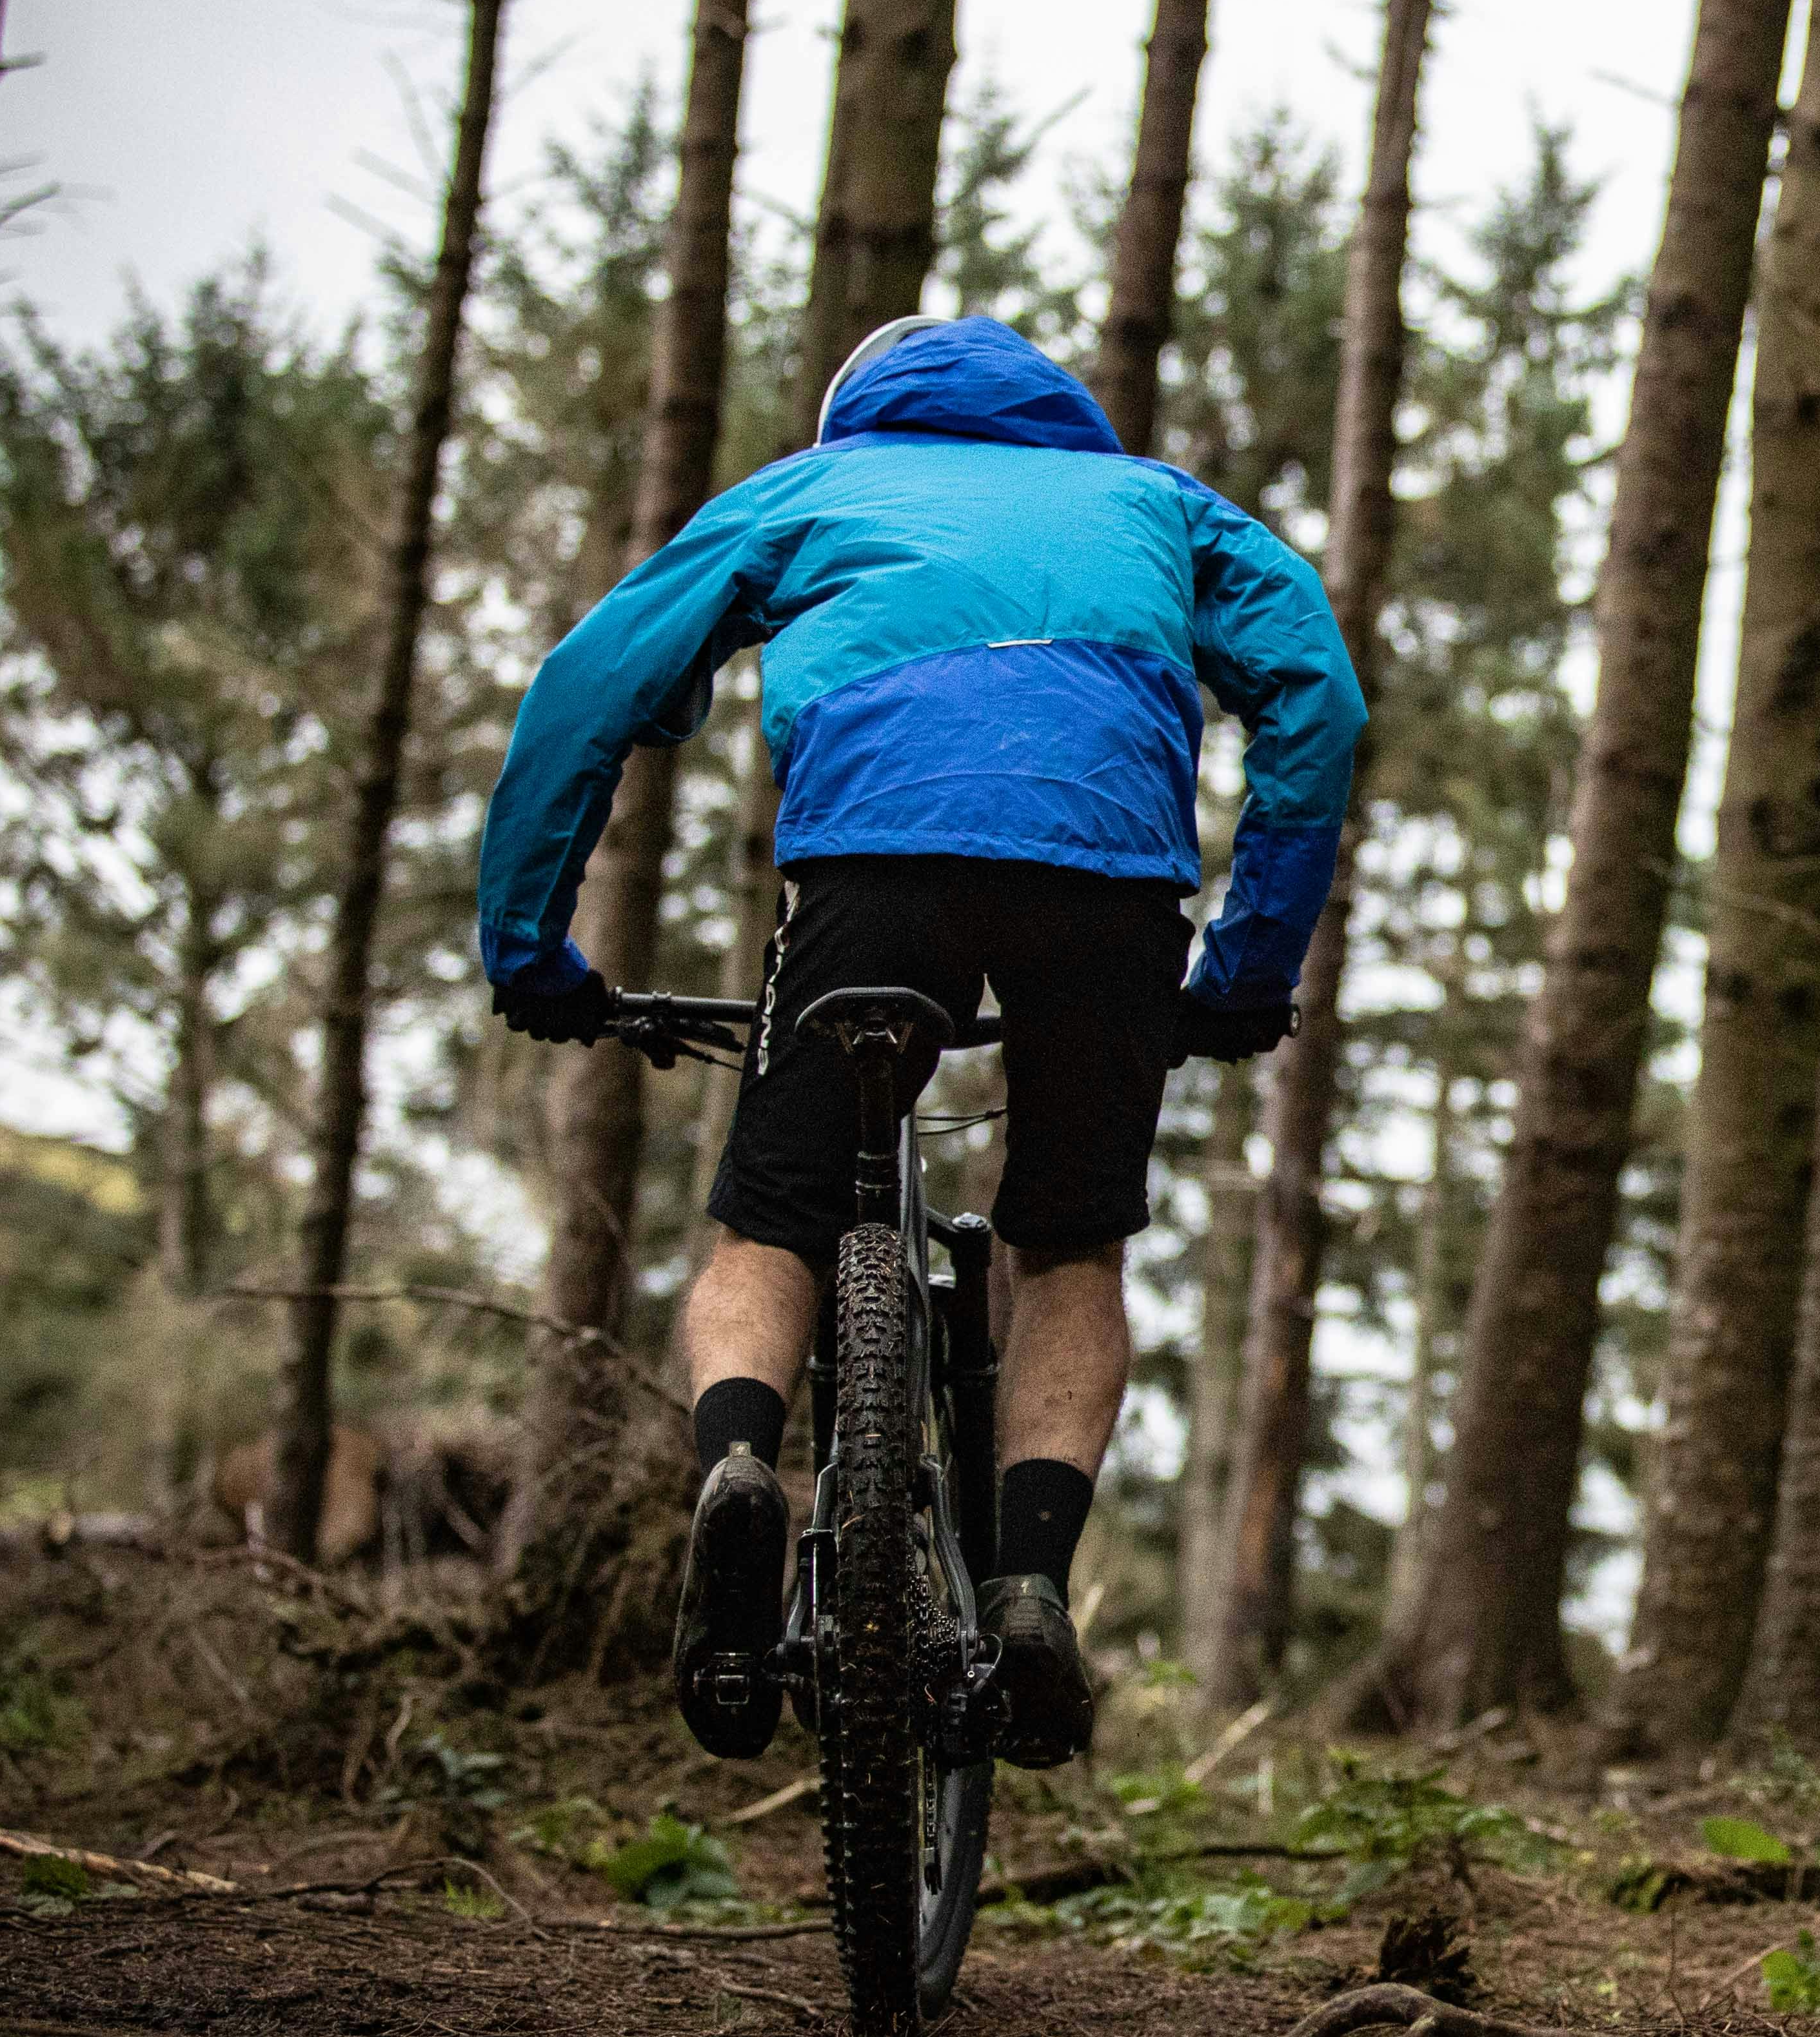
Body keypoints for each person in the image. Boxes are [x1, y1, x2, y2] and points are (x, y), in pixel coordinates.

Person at [473, 314, 1365, 1766]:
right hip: (1108, 885)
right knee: (1066, 1248)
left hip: (873, 863)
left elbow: (592, 684)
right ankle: (1029, 1591)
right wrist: (1244, 967)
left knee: (773, 1225)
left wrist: (531, 948)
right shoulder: (1155, 502)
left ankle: (742, 1469)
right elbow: (1316, 697)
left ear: (862, 411)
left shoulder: (816, 489)